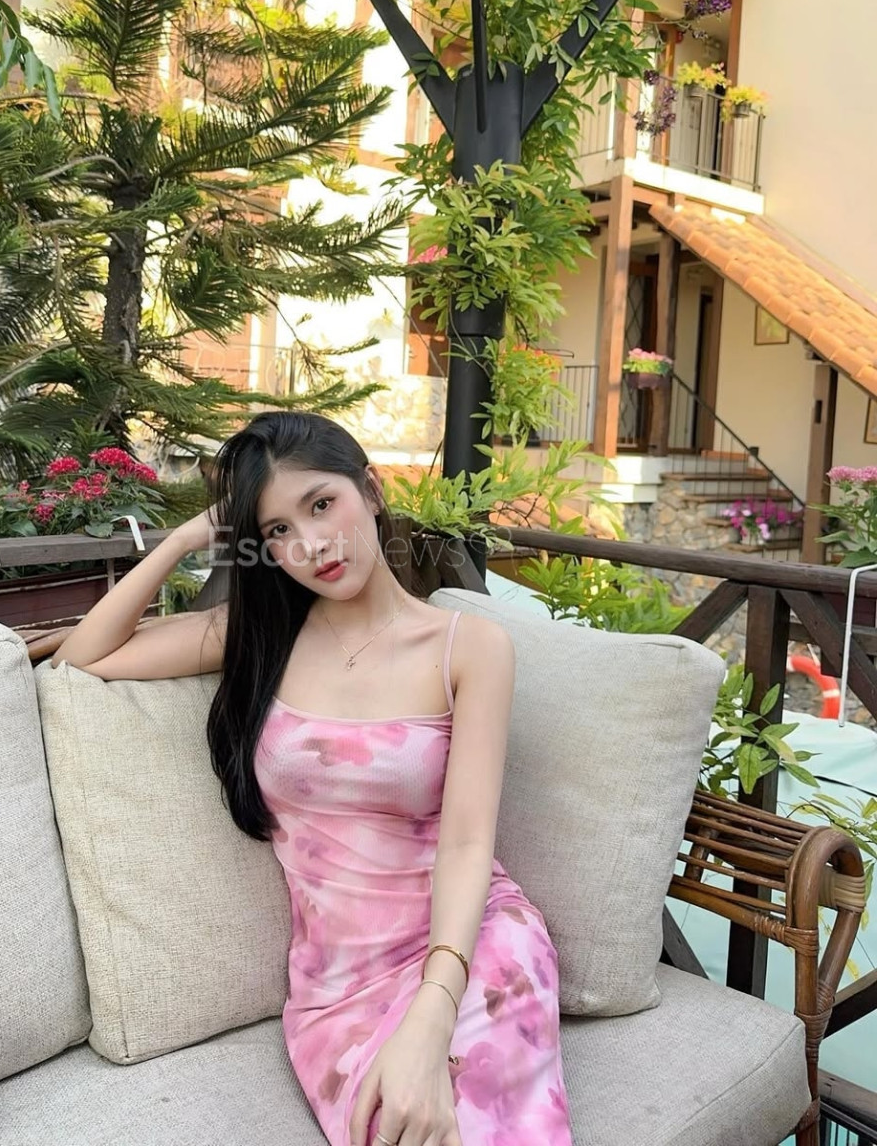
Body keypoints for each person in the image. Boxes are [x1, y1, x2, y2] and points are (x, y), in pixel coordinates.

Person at [53, 411, 571, 1146]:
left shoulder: (470, 647)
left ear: (372, 490)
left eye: (322, 504)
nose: (312, 544)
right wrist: (183, 539)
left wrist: (434, 1010)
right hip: (337, 986)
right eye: (278, 530)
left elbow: (465, 844)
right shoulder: (261, 637)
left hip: (471, 946)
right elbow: (82, 658)